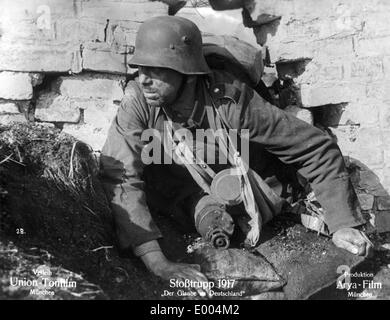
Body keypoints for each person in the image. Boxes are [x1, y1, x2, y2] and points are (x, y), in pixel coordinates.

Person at [100, 16, 372, 289]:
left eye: (157, 69)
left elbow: (314, 147)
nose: (144, 79)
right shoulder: (138, 100)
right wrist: (159, 263)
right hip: (179, 198)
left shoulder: (229, 100)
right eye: (141, 68)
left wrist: (342, 223)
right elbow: (121, 175)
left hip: (251, 191)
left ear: (187, 73)